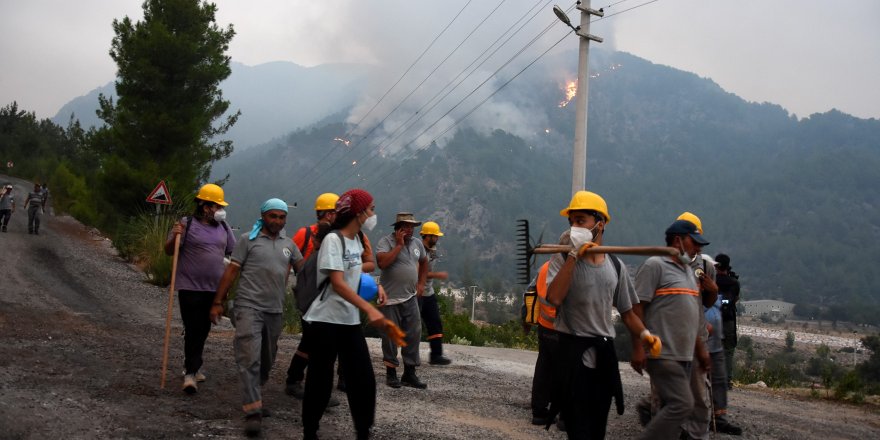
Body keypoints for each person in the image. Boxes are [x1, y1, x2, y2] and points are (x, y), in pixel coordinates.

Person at [544, 190, 661, 439]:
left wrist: (645, 335)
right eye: (572, 222)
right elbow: (554, 298)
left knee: (598, 424)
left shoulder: (615, 266)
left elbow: (628, 313)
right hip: (572, 350)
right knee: (577, 426)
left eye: (581, 221)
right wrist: (574, 255)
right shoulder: (563, 258)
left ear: (600, 224)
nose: (575, 227)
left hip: (604, 351)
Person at [301, 188, 403, 440]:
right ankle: (310, 432)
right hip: (325, 320)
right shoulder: (333, 240)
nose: (373, 213)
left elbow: (352, 276)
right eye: (371, 209)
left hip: (348, 320)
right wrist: (369, 308)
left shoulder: (356, 241)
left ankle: (362, 432)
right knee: (320, 381)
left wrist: (375, 286)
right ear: (359, 213)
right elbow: (337, 282)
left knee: (364, 381)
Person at [210, 198, 304, 436]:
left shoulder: (289, 245)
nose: (277, 221)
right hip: (248, 307)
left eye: (282, 217)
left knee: (268, 358)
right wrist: (217, 302)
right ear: (263, 216)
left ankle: (256, 391)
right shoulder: (247, 241)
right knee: (249, 357)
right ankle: (253, 410)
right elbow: (231, 271)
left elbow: (305, 271)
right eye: (273, 216)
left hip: (275, 310)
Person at [632, 219, 712, 440]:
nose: (698, 248)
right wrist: (638, 347)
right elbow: (636, 308)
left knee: (672, 410)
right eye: (694, 242)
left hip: (685, 354)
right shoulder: (654, 266)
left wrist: (700, 350)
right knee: (682, 404)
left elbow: (691, 316)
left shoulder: (687, 270)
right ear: (678, 240)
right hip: (662, 352)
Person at [164, 183, 235, 394]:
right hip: (189, 286)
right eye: (217, 206)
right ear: (205, 206)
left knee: (203, 329)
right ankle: (190, 374)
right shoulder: (186, 224)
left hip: (213, 289)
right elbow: (169, 251)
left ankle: (193, 365)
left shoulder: (224, 228)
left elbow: (232, 252)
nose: (220, 211)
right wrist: (174, 236)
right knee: (194, 327)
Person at [376, 212, 429, 389]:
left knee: (414, 332)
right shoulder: (386, 242)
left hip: (410, 296)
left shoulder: (417, 244)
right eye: (406, 226)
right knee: (391, 336)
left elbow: (424, 262)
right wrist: (398, 245)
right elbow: (382, 263)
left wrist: (421, 283)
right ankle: (391, 373)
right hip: (390, 298)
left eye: (412, 226)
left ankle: (409, 373)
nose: (410, 229)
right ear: (397, 228)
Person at [702, 254, 743, 435]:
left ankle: (717, 417)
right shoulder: (731, 283)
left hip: (717, 324)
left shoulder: (713, 280)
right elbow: (730, 301)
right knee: (725, 356)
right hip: (717, 325)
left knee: (720, 361)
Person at [418, 221, 452, 365]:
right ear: (428, 236)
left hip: (428, 292)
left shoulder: (432, 250)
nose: (437, 239)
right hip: (417, 292)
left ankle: (436, 355)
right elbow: (418, 272)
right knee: (412, 325)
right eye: (435, 236)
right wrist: (437, 275)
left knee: (435, 323)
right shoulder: (418, 250)